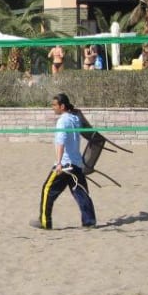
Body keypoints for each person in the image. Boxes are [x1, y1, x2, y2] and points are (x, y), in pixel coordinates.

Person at [32, 93, 96, 230]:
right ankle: (89, 221)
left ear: (62, 106)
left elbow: (60, 142)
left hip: (65, 164)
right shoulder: (75, 118)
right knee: (81, 192)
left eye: (55, 105)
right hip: (76, 164)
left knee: (47, 189)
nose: (53, 107)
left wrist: (59, 163)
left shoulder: (62, 121)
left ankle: (44, 222)